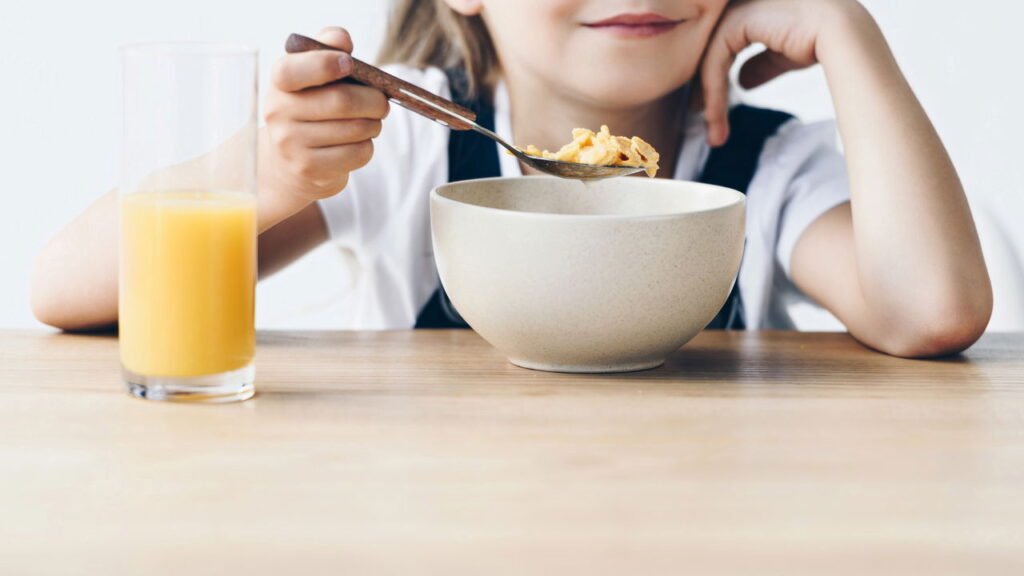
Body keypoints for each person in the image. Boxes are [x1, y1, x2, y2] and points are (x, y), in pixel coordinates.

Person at [32, 0, 992, 358]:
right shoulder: (398, 147)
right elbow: (68, 294)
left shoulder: (767, 165)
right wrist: (273, 168)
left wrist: (848, 34)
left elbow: (932, 312)